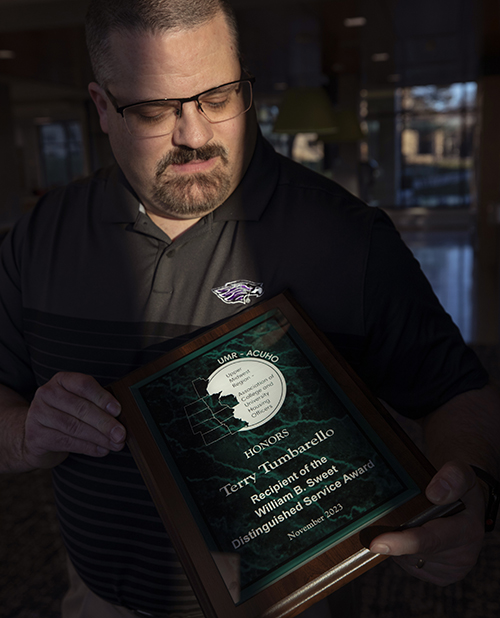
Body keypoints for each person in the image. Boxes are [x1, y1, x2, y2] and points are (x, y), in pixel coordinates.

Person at [0, 0, 498, 616]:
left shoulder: (347, 239)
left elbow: (456, 392)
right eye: (155, 109)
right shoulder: (39, 235)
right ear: (102, 107)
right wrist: (25, 434)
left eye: (218, 97)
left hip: (292, 601)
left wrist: (466, 493)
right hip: (100, 598)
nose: (195, 135)